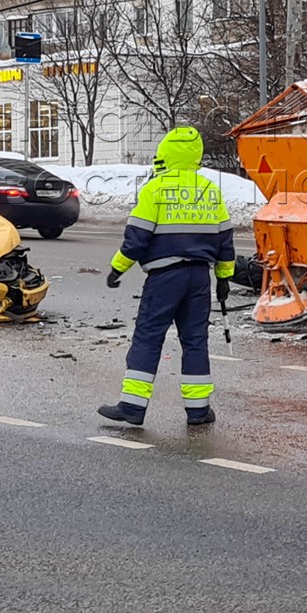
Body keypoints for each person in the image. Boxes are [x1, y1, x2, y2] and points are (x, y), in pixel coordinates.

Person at [97, 127, 236, 428]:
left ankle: (133, 406)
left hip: (164, 277)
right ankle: (198, 410)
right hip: (200, 278)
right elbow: (225, 240)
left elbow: (137, 238)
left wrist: (118, 268)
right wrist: (224, 277)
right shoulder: (210, 190)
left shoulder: (155, 189)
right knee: (195, 341)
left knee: (149, 336)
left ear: (165, 154)